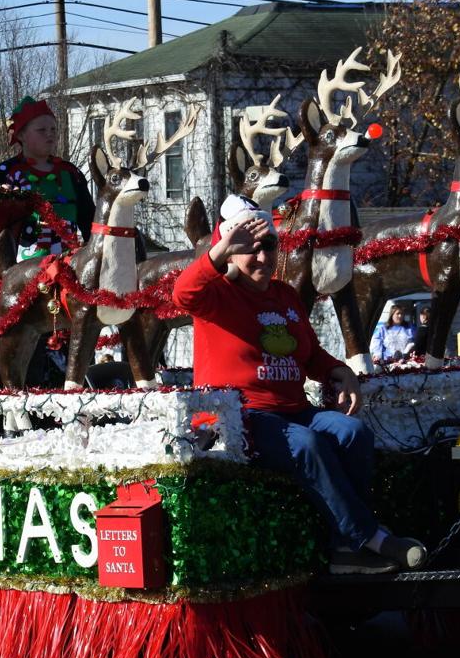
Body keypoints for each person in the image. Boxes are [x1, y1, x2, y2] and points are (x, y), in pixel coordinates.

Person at [172, 196, 428, 575]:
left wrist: (340, 372)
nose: (260, 257)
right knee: (307, 444)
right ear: (229, 252)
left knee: (352, 431)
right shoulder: (216, 295)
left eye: (268, 246)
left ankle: (345, 547)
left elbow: (308, 356)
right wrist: (222, 248)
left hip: (293, 411)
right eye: (247, 249)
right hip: (239, 419)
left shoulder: (286, 295)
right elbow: (182, 293)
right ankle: (370, 540)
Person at [0, 97, 94, 262]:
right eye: (42, 130)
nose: (49, 134)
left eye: (53, 129)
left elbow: (89, 220)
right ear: (21, 135)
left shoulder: (71, 173)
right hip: (21, 271)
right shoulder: (4, 174)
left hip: (69, 266)